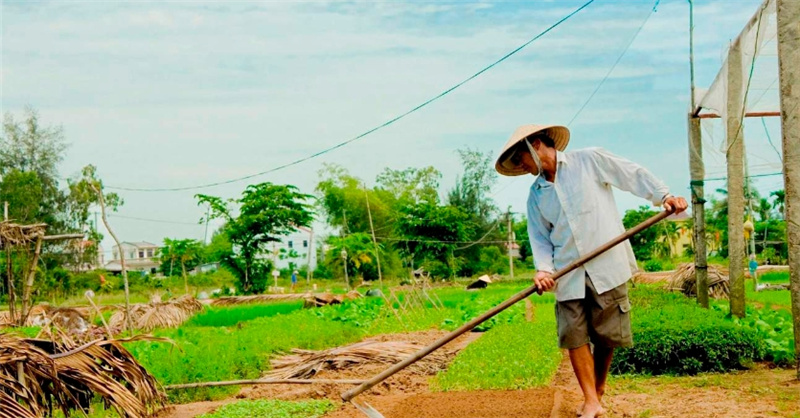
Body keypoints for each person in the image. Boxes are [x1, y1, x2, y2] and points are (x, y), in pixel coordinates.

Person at [494, 125, 688, 418]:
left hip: (606, 263)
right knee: (574, 334)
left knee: (606, 334)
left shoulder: (589, 160)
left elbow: (631, 174)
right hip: (566, 271)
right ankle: (590, 398)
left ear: (536, 145)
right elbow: (540, 238)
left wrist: (664, 196)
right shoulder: (536, 195)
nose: (521, 166)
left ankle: (597, 392)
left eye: (520, 157)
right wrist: (543, 270)